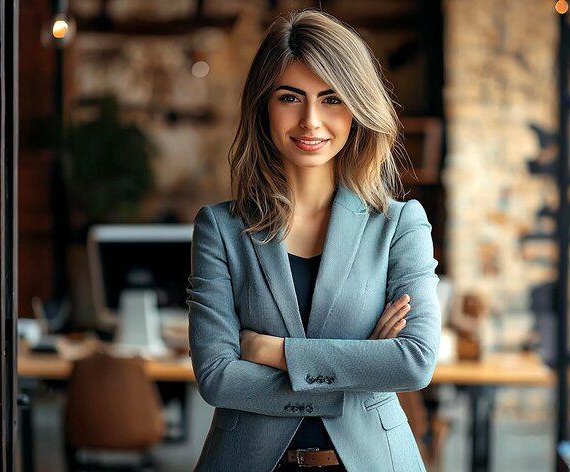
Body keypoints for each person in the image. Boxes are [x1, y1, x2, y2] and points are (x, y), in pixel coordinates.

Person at [187, 9, 440, 472]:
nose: (310, 121)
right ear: (264, 105)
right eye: (291, 97)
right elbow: (217, 378)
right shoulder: (219, 229)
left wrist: (273, 352)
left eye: (332, 99)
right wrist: (364, 364)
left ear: (357, 109)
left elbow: (414, 362)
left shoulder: (400, 224)